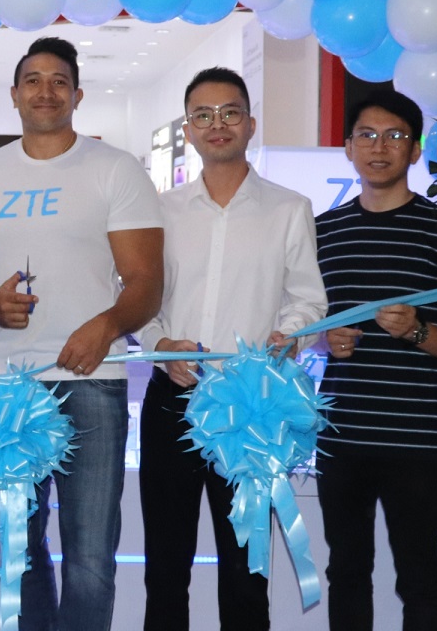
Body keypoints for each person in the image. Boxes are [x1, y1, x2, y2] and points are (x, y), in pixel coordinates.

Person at [0, 37, 164, 631]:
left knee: (91, 554)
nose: (46, 90)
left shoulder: (115, 169)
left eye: (59, 80)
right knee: (19, 548)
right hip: (5, 385)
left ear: (77, 94)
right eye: (33, 80)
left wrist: (109, 323)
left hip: (90, 378)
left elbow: (147, 281)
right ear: (15, 93)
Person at [137, 67, 328, 631]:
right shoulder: (160, 211)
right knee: (165, 565)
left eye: (230, 113)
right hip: (173, 399)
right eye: (203, 115)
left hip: (252, 407)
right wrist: (160, 344)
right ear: (188, 130)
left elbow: (308, 299)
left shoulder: (289, 208)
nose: (217, 124)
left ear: (250, 123)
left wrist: (289, 333)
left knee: (247, 569)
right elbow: (140, 298)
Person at [312, 89, 437, 631]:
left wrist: (416, 332)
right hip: (340, 437)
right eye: (366, 135)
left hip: (413, 442)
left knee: (419, 579)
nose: (378, 148)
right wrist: (327, 343)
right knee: (346, 572)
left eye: (395, 136)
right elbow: (311, 333)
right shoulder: (324, 233)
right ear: (346, 148)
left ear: (414, 151)